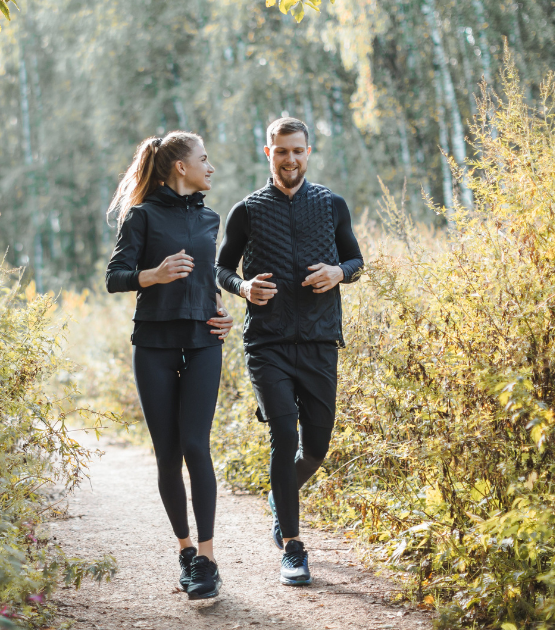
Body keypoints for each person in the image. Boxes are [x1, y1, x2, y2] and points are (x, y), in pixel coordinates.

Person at [215, 117, 363, 586]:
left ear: (308, 151)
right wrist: (242, 287)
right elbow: (221, 268)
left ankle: (282, 500)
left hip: (320, 341)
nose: (290, 159)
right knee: (284, 434)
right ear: (268, 153)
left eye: (298, 150)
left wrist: (340, 272)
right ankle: (294, 549)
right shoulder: (248, 210)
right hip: (268, 343)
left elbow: (356, 259)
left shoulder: (331, 204)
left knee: (316, 446)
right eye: (282, 151)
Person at [105, 131, 234, 600]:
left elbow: (206, 280)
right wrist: (153, 275)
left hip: (203, 341)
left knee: (196, 446)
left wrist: (222, 310)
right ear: (181, 166)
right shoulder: (140, 217)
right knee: (168, 453)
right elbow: (114, 277)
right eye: (205, 159)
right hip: (155, 343)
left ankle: (207, 559)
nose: (211, 166)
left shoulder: (210, 218)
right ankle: (184, 550)